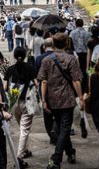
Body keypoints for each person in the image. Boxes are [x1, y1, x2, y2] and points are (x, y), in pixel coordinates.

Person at [38, 33, 84, 169]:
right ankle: (56, 158)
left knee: (61, 128)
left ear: (53, 44)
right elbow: (76, 80)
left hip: (52, 98)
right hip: (67, 98)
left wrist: (43, 99)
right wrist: (81, 97)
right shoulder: (71, 59)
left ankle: (70, 152)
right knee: (64, 128)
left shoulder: (46, 60)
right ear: (66, 44)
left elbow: (43, 81)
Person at [4, 47, 38, 167]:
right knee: (24, 130)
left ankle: (25, 150)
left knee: (22, 128)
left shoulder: (10, 69)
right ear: (24, 56)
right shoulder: (31, 68)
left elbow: (5, 87)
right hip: (27, 102)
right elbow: (36, 84)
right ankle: (18, 157)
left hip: (14, 103)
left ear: (14, 56)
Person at [69, 19, 91, 93]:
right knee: (85, 70)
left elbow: (70, 44)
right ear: (82, 24)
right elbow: (89, 45)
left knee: (76, 70)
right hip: (85, 54)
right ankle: (85, 87)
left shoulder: (72, 33)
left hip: (75, 54)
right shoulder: (87, 33)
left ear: (75, 24)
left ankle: (77, 87)